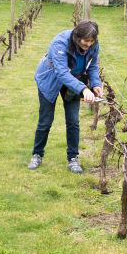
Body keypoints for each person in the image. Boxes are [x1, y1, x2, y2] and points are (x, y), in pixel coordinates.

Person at [28, 20, 102, 173]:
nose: (88, 44)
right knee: (45, 120)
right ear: (77, 36)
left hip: (74, 82)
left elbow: (92, 66)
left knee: (73, 121)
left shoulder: (93, 45)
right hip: (50, 80)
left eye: (91, 41)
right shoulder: (60, 43)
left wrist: (95, 83)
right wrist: (83, 89)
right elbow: (61, 73)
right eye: (85, 41)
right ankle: (37, 154)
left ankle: (73, 158)